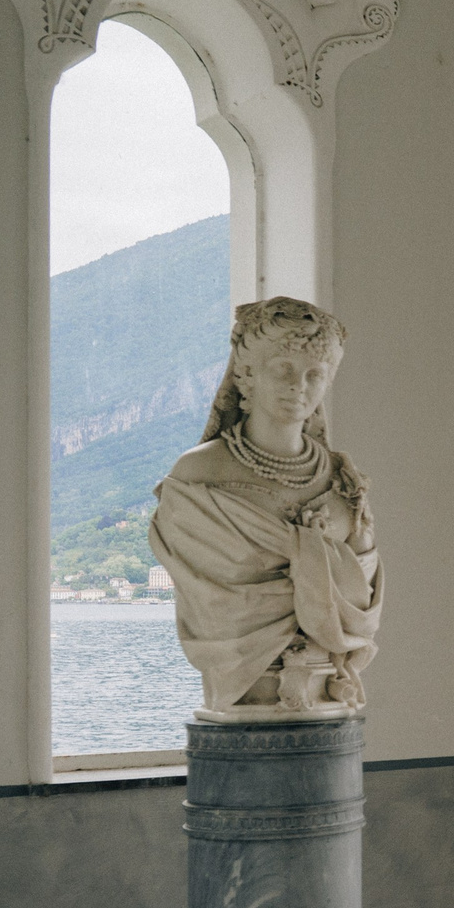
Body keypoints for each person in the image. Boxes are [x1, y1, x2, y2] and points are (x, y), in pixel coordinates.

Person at [151, 297, 382, 714]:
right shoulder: (199, 475)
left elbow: (361, 595)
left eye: (316, 374)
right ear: (248, 374)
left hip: (328, 693)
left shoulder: (341, 479)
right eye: (284, 370)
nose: (300, 386)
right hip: (244, 694)